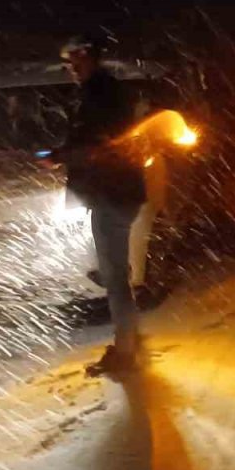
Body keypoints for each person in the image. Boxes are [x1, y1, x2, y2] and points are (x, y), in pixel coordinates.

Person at [42, 33, 147, 376]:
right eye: (67, 61)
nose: (71, 67)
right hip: (115, 191)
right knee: (115, 273)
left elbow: (100, 147)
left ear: (91, 57)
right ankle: (130, 337)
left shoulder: (102, 95)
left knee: (115, 277)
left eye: (76, 59)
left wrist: (60, 156)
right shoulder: (102, 92)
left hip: (112, 193)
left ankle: (126, 354)